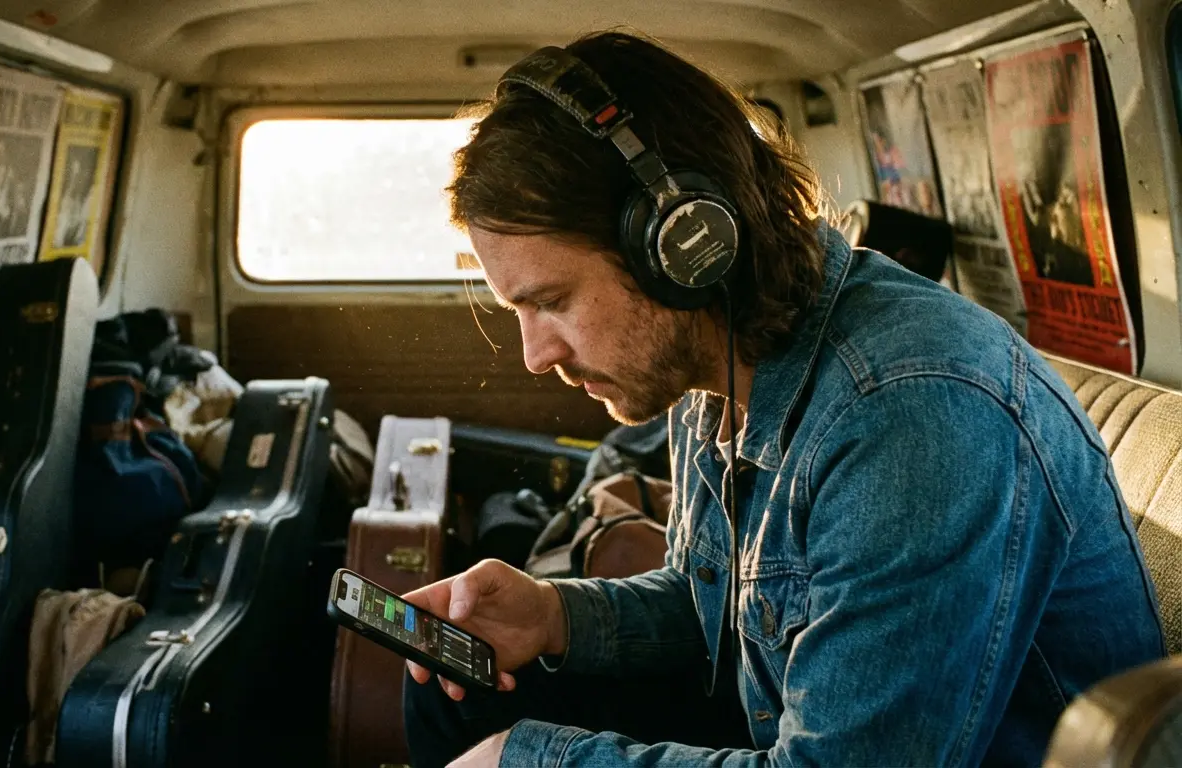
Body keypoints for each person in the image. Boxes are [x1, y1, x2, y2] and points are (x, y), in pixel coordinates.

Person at [400, 31, 1166, 768]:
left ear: (679, 247)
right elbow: (720, 614)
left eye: (553, 301)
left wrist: (539, 761)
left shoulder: (909, 413)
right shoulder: (717, 369)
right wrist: (555, 615)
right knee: (461, 694)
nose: (538, 356)